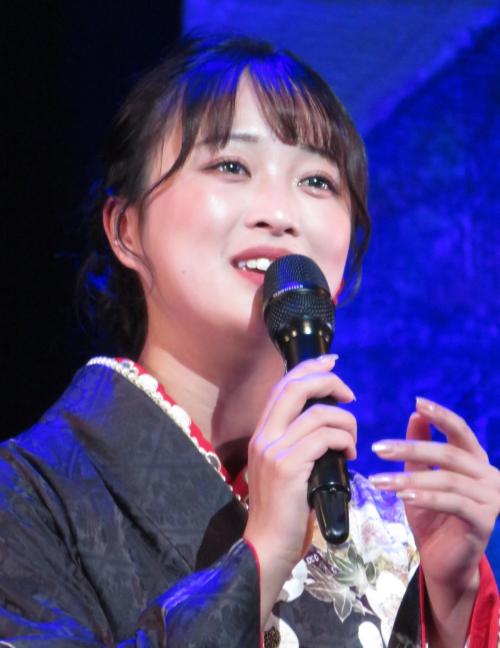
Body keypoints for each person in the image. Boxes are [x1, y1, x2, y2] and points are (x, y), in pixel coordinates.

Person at [0, 34, 498, 648]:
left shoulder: (387, 535)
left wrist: (448, 605)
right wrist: (256, 560)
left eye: (317, 181)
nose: (280, 214)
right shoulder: (29, 497)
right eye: (231, 167)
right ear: (126, 229)